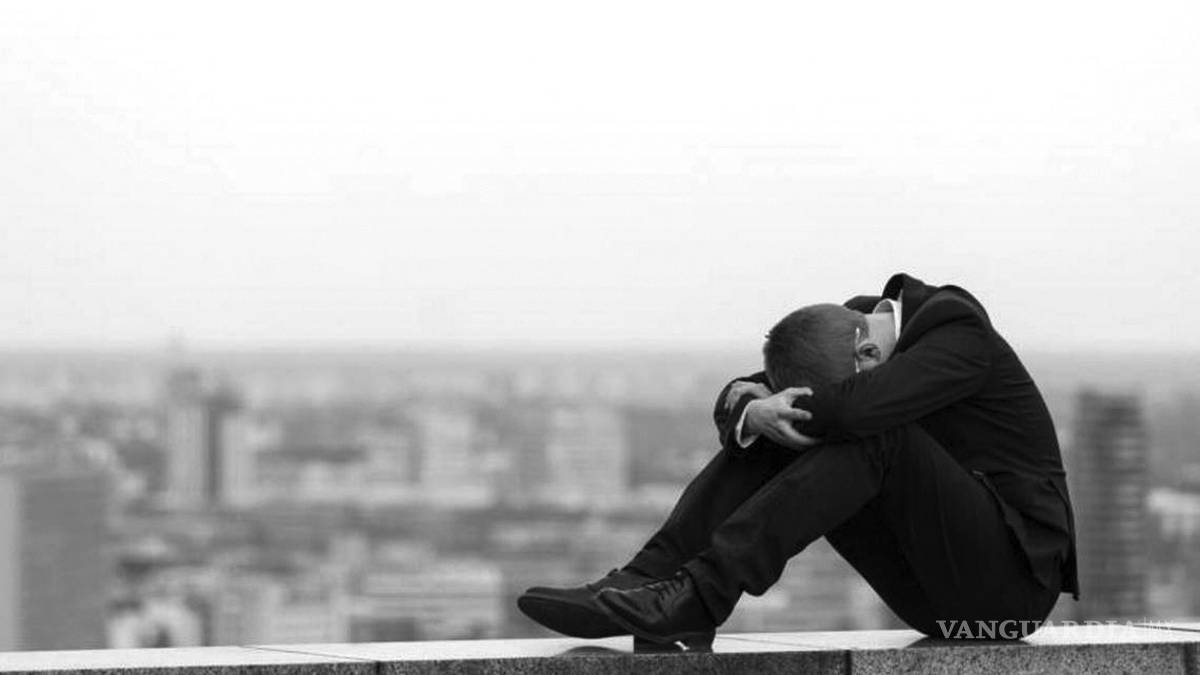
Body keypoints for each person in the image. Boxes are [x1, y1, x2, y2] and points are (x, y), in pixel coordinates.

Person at [518, 272, 1077, 647]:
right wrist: (754, 412)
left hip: (1008, 598)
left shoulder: (958, 334)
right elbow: (747, 393)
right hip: (928, 596)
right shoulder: (848, 330)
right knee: (784, 424)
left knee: (870, 432)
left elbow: (856, 410)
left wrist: (771, 406)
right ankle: (644, 581)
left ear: (868, 353)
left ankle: (700, 595)